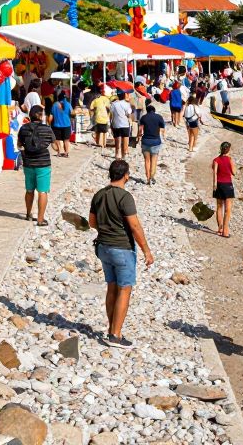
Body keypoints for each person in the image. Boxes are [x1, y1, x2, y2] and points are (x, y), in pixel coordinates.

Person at [89, 159, 154, 349]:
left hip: (103, 247)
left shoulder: (99, 194)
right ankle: (115, 335)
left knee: (112, 287)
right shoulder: (125, 197)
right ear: (126, 175)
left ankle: (112, 329)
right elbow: (134, 226)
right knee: (125, 289)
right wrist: (146, 251)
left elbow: (92, 222)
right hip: (121, 248)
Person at [18, 105, 55, 225]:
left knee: (29, 190)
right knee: (42, 192)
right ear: (40, 116)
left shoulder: (23, 128)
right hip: (43, 163)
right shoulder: (47, 129)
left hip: (28, 163)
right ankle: (40, 219)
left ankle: (28, 214)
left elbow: (19, 144)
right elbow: (54, 145)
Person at [211, 141, 236, 237]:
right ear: (228, 149)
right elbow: (234, 172)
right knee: (228, 209)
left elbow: (215, 173)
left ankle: (219, 229)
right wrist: (232, 164)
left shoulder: (216, 160)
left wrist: (214, 185)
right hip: (228, 185)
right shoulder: (229, 159)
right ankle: (225, 231)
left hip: (219, 185)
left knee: (219, 207)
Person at [138, 104, 166, 185]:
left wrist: (138, 137)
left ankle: (147, 178)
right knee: (154, 161)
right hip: (155, 141)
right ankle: (152, 177)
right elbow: (162, 128)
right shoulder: (159, 117)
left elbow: (140, 129)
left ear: (147, 110)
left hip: (146, 141)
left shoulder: (144, 117)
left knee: (147, 161)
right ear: (154, 110)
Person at [109, 90, 133, 160]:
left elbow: (111, 113)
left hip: (116, 124)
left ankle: (117, 154)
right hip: (125, 124)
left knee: (117, 140)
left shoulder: (114, 104)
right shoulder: (126, 104)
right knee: (125, 140)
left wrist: (111, 123)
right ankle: (124, 154)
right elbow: (129, 114)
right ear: (124, 96)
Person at [49, 91, 73, 158]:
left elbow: (51, 117)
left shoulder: (54, 105)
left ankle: (59, 152)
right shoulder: (68, 104)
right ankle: (66, 153)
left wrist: (49, 124)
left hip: (56, 125)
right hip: (67, 125)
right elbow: (72, 113)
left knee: (58, 140)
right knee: (66, 140)